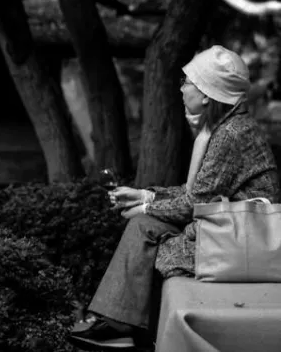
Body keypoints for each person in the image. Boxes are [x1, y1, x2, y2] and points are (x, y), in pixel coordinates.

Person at [68, 45, 280, 351]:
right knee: (144, 225)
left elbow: (195, 204)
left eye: (188, 82)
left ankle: (120, 327)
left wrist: (144, 205)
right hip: (229, 229)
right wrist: (146, 195)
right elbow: (199, 193)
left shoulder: (230, 135)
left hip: (241, 240)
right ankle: (118, 325)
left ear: (207, 93)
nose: (181, 89)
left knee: (146, 230)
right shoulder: (227, 128)